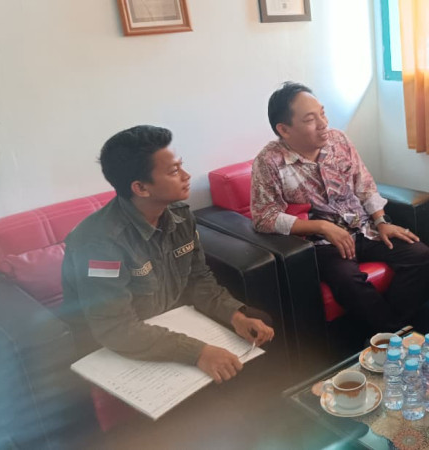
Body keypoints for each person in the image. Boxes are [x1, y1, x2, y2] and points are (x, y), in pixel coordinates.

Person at [62, 125, 275, 384]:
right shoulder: (99, 244)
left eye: (181, 166)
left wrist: (235, 316)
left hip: (171, 319)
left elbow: (199, 279)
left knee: (256, 324)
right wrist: (197, 352)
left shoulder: (180, 215)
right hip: (117, 342)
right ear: (141, 188)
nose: (186, 175)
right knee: (214, 377)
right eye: (174, 171)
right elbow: (115, 328)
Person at [251, 82, 429, 332]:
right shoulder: (269, 161)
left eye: (322, 113)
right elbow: (263, 217)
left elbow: (364, 183)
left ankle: (390, 330)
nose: (323, 124)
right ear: (284, 129)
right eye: (310, 119)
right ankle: (395, 334)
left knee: (420, 256)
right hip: (323, 244)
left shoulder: (338, 140)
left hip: (363, 227)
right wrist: (321, 226)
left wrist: (381, 221)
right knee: (349, 281)